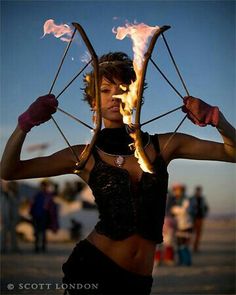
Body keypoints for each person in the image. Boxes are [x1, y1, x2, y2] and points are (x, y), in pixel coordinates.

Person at [0, 51, 235, 294]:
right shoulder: (85, 155)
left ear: (135, 97)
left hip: (139, 282)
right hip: (92, 269)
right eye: (104, 90)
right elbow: (9, 170)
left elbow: (232, 153)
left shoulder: (163, 145)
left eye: (123, 88)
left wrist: (217, 119)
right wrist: (24, 124)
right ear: (94, 101)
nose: (115, 96)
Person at [30, 180, 59, 253]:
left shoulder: (48, 195)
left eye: (44, 186)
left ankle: (42, 248)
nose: (43, 187)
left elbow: (55, 196)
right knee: (37, 233)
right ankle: (37, 247)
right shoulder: (37, 195)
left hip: (44, 216)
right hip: (36, 216)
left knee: (42, 233)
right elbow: (32, 205)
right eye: (42, 186)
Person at [170, 183, 193, 266]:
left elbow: (184, 211)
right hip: (178, 226)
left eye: (178, 190)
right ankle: (181, 261)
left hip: (186, 226)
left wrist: (174, 209)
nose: (176, 192)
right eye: (175, 190)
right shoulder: (174, 200)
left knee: (184, 245)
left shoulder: (186, 199)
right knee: (179, 245)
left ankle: (187, 261)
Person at [0, 180, 20, 253]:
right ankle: (2, 248)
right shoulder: (3, 195)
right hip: (5, 217)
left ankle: (14, 248)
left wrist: (11, 194)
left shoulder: (15, 195)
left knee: (13, 233)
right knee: (3, 233)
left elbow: (16, 204)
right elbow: (1, 206)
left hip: (13, 217)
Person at [189, 186, 209, 252]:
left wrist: (204, 213)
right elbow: (189, 207)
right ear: (196, 190)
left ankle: (195, 248)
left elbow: (206, 207)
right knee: (190, 233)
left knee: (198, 234)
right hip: (193, 218)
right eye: (198, 190)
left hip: (200, 218)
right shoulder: (191, 198)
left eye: (199, 190)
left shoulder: (202, 198)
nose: (198, 192)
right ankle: (187, 247)